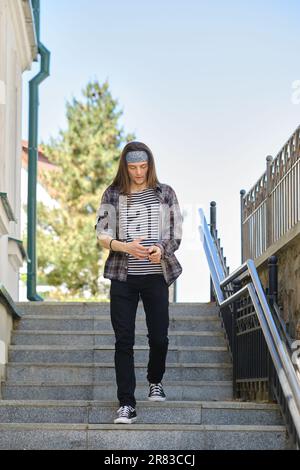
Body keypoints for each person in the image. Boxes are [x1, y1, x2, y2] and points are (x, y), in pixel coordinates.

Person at [94, 141, 183, 424]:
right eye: (133, 167)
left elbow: (175, 232)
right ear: (125, 166)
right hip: (123, 277)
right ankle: (126, 404)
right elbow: (102, 234)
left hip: (156, 276)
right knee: (124, 340)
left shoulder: (165, 193)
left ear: (150, 165)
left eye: (143, 166)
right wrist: (124, 246)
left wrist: (161, 249)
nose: (138, 172)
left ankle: (155, 380)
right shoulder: (113, 193)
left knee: (159, 336)